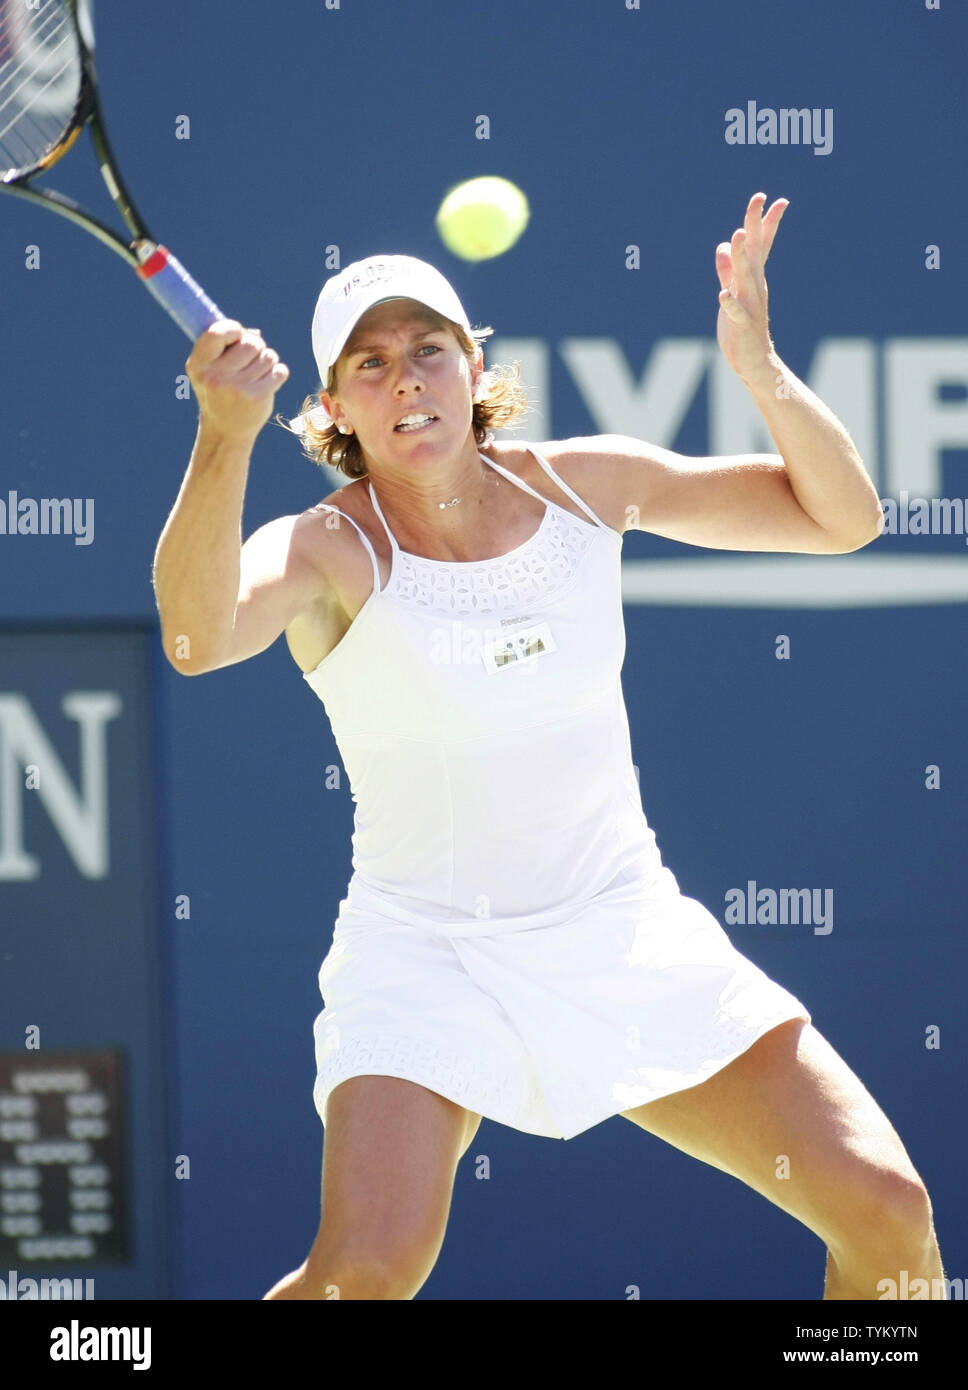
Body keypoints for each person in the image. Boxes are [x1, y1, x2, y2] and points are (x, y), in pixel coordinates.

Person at [154, 193, 946, 1302]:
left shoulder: (585, 481)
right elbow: (194, 639)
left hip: (618, 926)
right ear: (334, 406)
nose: (407, 380)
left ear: (474, 369)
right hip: (421, 953)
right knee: (364, 1273)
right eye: (371, 365)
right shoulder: (325, 550)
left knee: (886, 1211)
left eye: (428, 349)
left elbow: (842, 518)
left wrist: (759, 368)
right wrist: (220, 438)